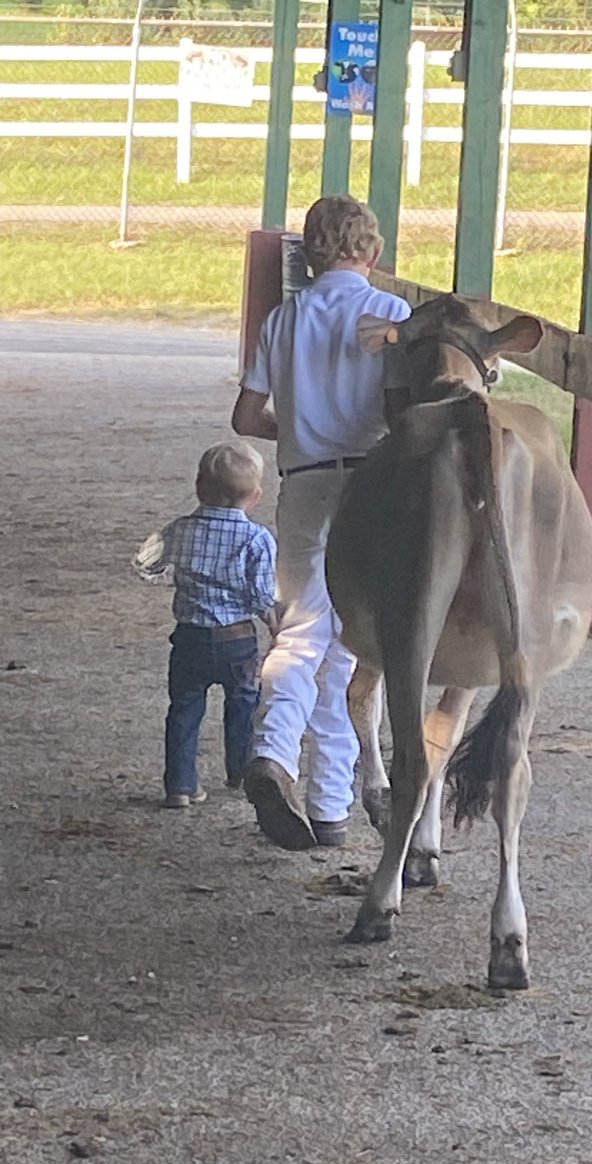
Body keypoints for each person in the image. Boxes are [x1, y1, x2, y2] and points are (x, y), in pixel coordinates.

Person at [231, 194, 411, 852]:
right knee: (355, 643)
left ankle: (277, 755)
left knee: (303, 627)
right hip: (372, 483)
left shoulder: (283, 319)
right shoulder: (391, 314)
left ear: (307, 257)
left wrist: (298, 434)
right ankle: (329, 802)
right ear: (374, 251)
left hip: (303, 483)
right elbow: (404, 411)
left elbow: (245, 418)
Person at [133, 442, 277, 810]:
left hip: (189, 639)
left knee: (183, 709)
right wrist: (275, 624)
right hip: (237, 640)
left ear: (199, 488)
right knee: (243, 704)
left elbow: (144, 562)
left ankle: (180, 786)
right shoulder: (257, 539)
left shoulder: (178, 530)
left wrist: (169, 575)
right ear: (255, 496)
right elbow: (261, 595)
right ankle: (240, 772)